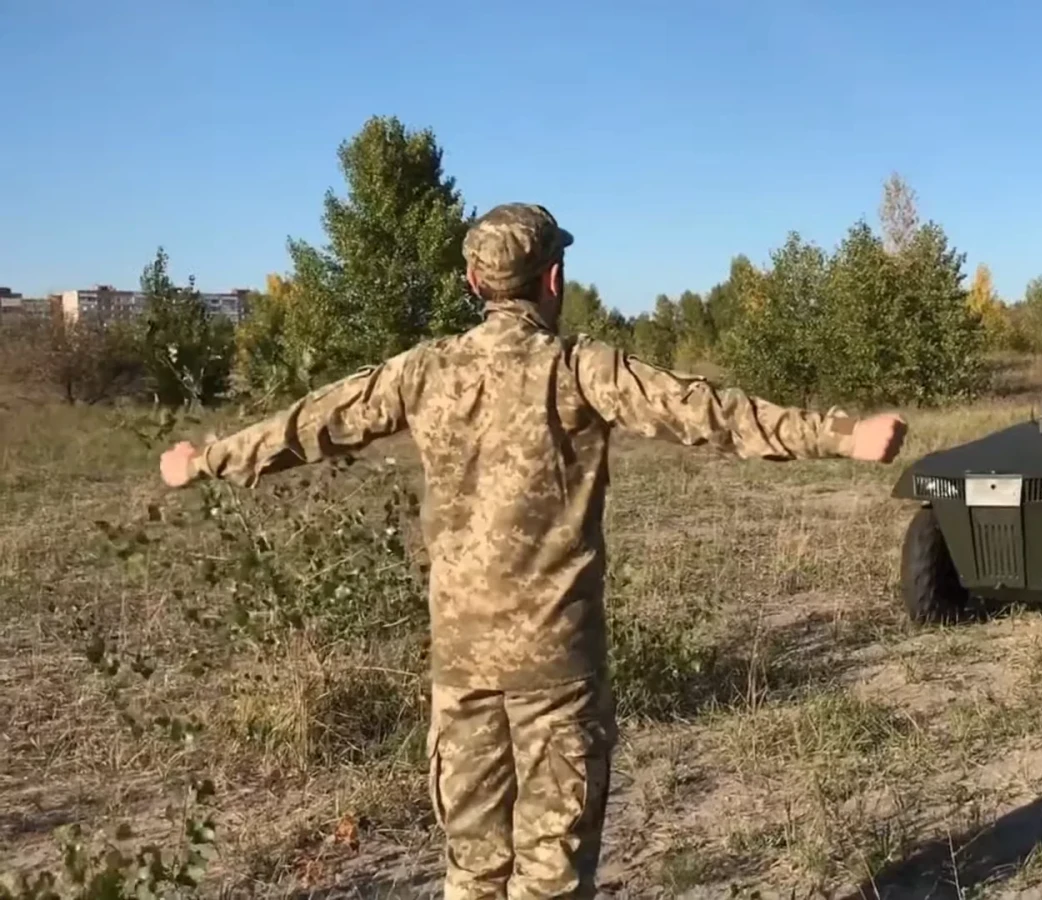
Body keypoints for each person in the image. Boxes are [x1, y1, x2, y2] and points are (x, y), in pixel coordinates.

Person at [157, 202, 908, 900]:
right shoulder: (581, 368)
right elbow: (709, 412)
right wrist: (843, 435)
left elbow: (313, 421)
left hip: (463, 665)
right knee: (549, 879)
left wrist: (206, 458)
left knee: (474, 872)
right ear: (553, 278)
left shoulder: (423, 370)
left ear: (473, 282)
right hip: (556, 670)